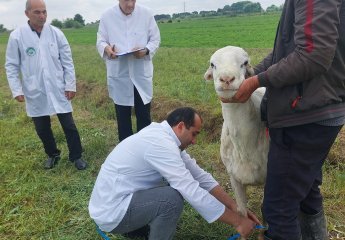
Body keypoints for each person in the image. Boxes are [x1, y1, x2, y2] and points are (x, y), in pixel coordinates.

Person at [221, 0, 345, 239]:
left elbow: (313, 55)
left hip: (305, 114)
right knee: (305, 190)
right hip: (319, 106)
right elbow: (289, 53)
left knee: (279, 208)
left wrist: (257, 81)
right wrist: (254, 73)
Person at [89, 107, 260, 240]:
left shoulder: (163, 138)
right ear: (180, 127)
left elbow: (200, 177)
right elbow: (190, 188)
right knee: (170, 199)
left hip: (114, 202)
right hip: (112, 212)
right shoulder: (161, 144)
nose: (194, 141)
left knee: (169, 188)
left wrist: (234, 206)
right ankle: (134, 227)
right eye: (194, 134)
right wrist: (237, 222)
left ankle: (136, 227)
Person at [5, 0, 87, 170]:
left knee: (69, 125)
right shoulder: (17, 36)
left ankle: (76, 156)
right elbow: (11, 65)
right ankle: (53, 154)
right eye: (37, 12)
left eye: (44, 12)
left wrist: (70, 85)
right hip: (35, 89)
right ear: (27, 13)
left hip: (58, 87)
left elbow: (67, 61)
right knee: (42, 128)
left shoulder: (56, 33)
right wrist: (16, 89)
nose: (42, 16)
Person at [96, 0, 161, 142]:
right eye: (126, 0)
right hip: (120, 74)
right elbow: (101, 41)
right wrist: (107, 49)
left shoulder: (146, 14)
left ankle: (145, 149)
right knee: (122, 117)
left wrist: (145, 51)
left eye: (133, 0)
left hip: (140, 73)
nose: (130, 4)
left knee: (144, 116)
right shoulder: (107, 16)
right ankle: (125, 153)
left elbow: (155, 39)